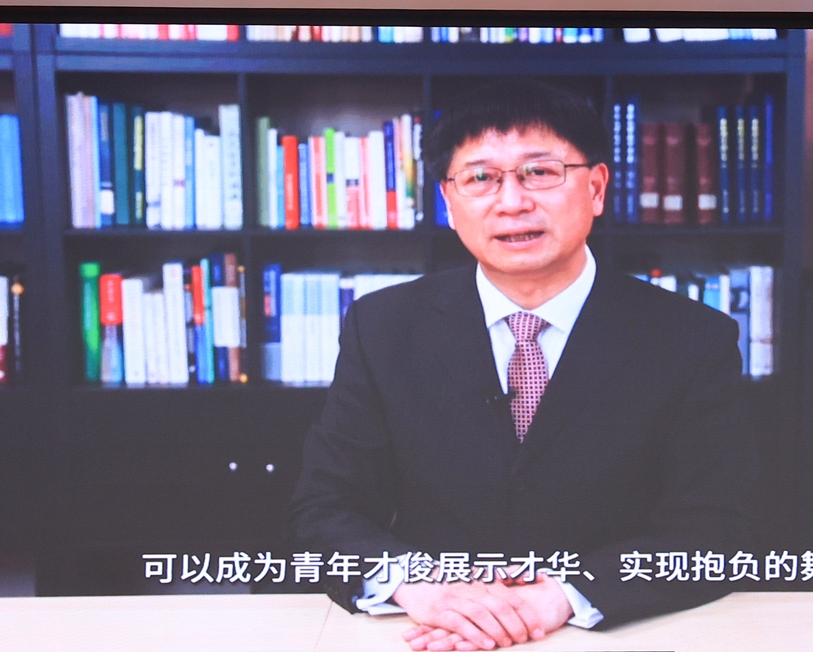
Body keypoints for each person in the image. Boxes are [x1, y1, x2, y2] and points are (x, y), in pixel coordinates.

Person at [289, 79, 761, 651]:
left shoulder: (692, 337)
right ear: (449, 203)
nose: (511, 202)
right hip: (430, 632)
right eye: (480, 178)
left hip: (616, 633)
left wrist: (562, 596)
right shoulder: (383, 326)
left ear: (596, 187)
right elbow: (327, 506)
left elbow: (714, 529)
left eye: (540, 172)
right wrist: (421, 587)